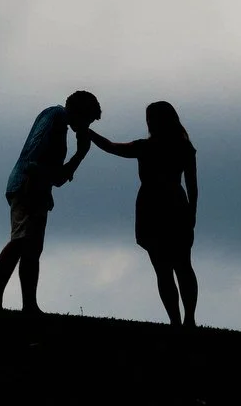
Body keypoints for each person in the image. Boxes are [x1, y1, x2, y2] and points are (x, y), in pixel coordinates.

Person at [0, 90, 103, 313]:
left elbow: (58, 178)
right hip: (28, 186)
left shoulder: (60, 122)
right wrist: (32, 180)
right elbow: (35, 151)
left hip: (38, 190)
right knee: (21, 241)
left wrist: (80, 154)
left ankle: (29, 304)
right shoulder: (56, 116)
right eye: (87, 119)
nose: (87, 125)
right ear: (79, 111)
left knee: (32, 248)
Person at [89, 101, 198, 326]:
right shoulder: (183, 147)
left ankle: (178, 321)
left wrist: (87, 132)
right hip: (175, 206)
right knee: (181, 266)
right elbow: (192, 187)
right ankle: (187, 320)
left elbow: (111, 147)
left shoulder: (145, 147)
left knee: (165, 269)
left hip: (152, 207)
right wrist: (192, 213)